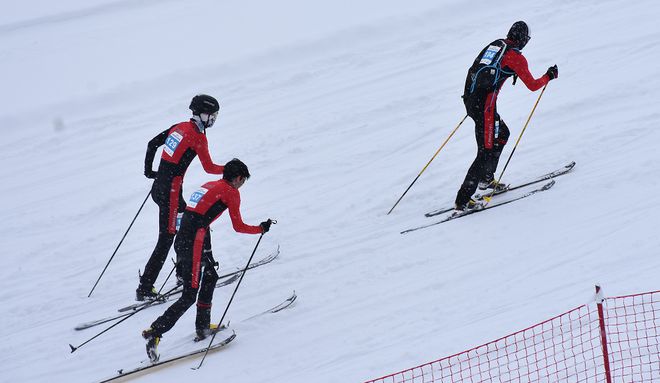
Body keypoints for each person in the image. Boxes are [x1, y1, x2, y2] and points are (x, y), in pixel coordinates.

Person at [142, 159, 273, 362]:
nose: (242, 185)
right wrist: (260, 229)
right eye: (243, 180)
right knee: (189, 295)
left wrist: (207, 252)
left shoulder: (209, 185)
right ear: (238, 178)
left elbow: (198, 217)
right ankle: (155, 332)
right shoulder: (231, 192)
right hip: (193, 243)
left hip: (186, 240)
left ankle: (203, 326)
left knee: (211, 275)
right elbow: (237, 226)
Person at [453, 21, 558, 213]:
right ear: (524, 40)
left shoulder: (497, 44)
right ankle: (463, 200)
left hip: (472, 101)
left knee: (503, 133)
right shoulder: (515, 57)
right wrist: (549, 76)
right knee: (484, 152)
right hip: (485, 108)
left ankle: (486, 179)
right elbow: (533, 85)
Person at [137, 94, 225, 301]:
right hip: (171, 194)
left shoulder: (179, 127)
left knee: (187, 225)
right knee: (166, 239)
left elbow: (152, 144)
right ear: (203, 115)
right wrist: (229, 170)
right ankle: (145, 288)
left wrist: (150, 172)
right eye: (212, 116)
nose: (213, 120)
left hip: (161, 189)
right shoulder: (198, 137)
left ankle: (182, 273)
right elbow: (210, 168)